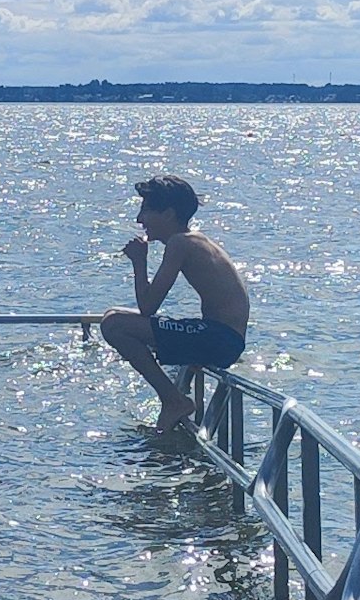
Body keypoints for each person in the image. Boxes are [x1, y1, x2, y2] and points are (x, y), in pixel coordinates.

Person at [100, 173, 249, 431]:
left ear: (168, 214)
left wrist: (139, 262)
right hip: (221, 335)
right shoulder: (194, 240)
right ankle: (174, 397)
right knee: (113, 314)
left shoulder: (180, 243)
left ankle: (173, 400)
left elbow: (148, 307)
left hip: (221, 339)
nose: (139, 220)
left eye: (145, 211)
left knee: (113, 325)